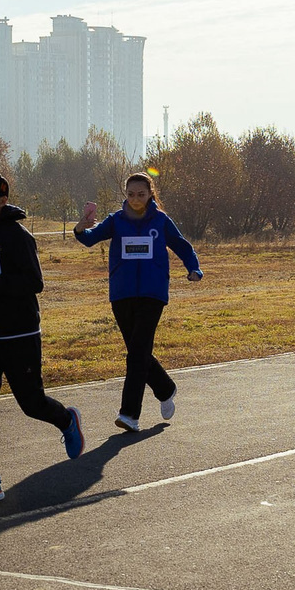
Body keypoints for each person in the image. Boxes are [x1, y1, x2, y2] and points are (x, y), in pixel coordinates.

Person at [0, 171, 84, 503]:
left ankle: (66, 419)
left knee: (31, 403)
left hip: (20, 335)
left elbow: (33, 283)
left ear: (1, 200)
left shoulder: (17, 237)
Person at [74, 171, 202, 431]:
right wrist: (81, 225)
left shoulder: (161, 221)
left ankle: (129, 414)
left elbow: (182, 245)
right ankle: (165, 388)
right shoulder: (116, 221)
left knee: (136, 353)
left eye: (140, 194)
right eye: (131, 194)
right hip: (122, 293)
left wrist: (193, 268)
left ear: (150, 194)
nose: (135, 199)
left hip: (152, 293)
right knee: (138, 351)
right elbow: (89, 238)